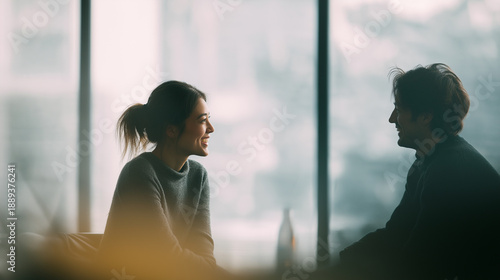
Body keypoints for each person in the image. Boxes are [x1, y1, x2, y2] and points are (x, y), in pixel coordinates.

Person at [313, 63, 500, 280]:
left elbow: (416, 266)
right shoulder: (429, 162)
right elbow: (396, 235)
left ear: (426, 116)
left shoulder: (446, 171)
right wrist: (335, 269)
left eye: (399, 109)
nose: (392, 119)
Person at [97, 80, 222, 280]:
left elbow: (205, 258)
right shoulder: (140, 173)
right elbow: (167, 257)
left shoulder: (198, 176)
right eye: (202, 120)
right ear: (171, 130)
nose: (211, 128)